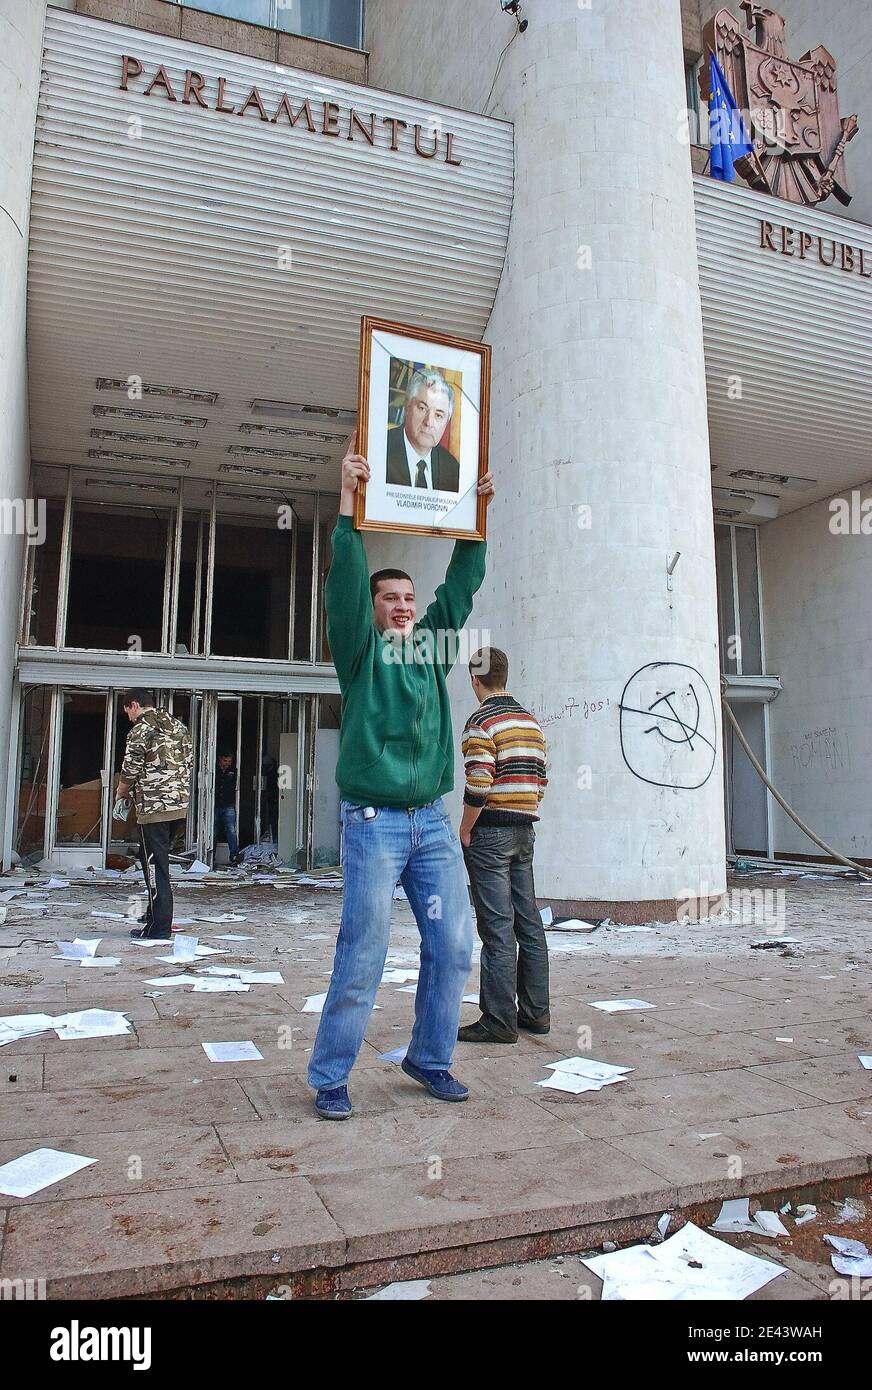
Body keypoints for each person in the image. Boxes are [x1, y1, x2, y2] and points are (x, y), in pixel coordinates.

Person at [307, 436, 494, 1119]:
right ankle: (330, 1076)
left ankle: (429, 1057)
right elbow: (347, 580)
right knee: (365, 950)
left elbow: (461, 588)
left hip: (433, 823)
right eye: (391, 597)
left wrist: (476, 518)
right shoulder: (358, 650)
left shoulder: (431, 648)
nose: (403, 605)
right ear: (375, 607)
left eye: (408, 597)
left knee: (453, 945)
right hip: (373, 823)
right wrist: (348, 503)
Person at [457, 648, 550, 1043]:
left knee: (496, 927)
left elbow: (479, 780)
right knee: (528, 922)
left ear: (474, 680)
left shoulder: (481, 721)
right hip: (524, 830)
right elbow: (541, 779)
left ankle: (498, 1019)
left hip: (490, 831)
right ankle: (536, 1013)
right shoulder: (530, 722)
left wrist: (465, 829)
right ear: (505, 676)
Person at [113, 690, 192, 941]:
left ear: (134, 705)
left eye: (127, 711)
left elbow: (131, 767)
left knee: (155, 867)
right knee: (159, 863)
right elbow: (188, 761)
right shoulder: (178, 726)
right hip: (177, 806)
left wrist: (121, 793)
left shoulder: (140, 730)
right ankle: (152, 918)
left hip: (153, 808)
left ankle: (159, 928)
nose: (128, 716)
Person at [385, 369, 461, 492]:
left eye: (438, 415)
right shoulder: (380, 450)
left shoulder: (452, 467)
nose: (429, 422)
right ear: (407, 406)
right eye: (422, 408)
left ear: (447, 422)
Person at [215, 750, 239, 864]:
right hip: (214, 805)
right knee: (213, 832)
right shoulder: (213, 769)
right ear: (220, 758)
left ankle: (234, 856)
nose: (227, 763)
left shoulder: (233, 771)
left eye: (229, 761)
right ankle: (210, 857)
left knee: (231, 830)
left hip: (228, 804)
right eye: (225, 761)